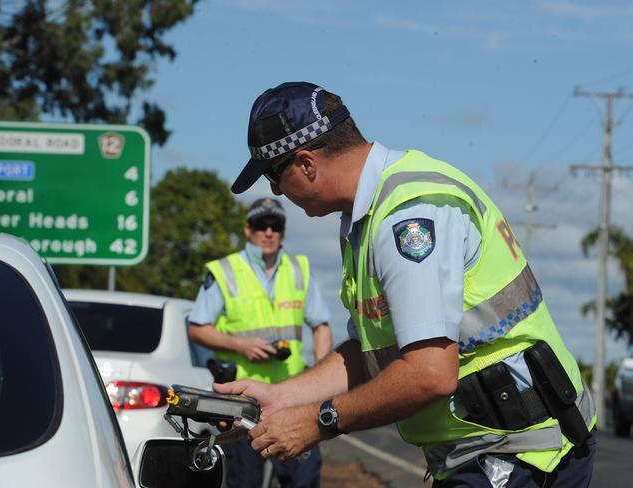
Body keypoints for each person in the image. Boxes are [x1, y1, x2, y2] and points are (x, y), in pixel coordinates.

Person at [214, 81, 598, 487]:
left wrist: (319, 420)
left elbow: (430, 374)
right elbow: (370, 353)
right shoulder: (368, 216)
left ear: (306, 163)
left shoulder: (408, 216)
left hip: (522, 451)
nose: (275, 191)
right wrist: (283, 397)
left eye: (275, 176)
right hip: (487, 449)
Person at [188, 196, 332, 488]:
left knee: (303, 480)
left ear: (283, 231)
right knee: (245, 483)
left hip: (293, 398)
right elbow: (197, 328)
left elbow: (322, 326)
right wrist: (243, 346)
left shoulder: (298, 269)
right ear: (247, 229)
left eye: (276, 226)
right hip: (243, 404)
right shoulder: (225, 270)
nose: (268, 232)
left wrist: (320, 379)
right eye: (260, 225)